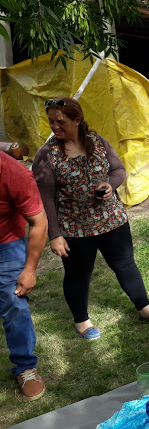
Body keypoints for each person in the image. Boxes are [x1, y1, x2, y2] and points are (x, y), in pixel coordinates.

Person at [32, 97, 149, 340]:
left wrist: (109, 185)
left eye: (61, 121)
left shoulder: (96, 141)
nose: (54, 126)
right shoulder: (47, 155)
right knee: (78, 273)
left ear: (77, 119)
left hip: (111, 219)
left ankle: (144, 308)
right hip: (75, 227)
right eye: (51, 121)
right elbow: (46, 199)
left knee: (125, 264)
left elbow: (118, 170)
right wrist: (54, 235)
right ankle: (82, 321)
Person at [0, 152, 47, 400]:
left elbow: (39, 222)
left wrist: (29, 270)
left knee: (14, 303)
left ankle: (25, 366)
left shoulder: (15, 174)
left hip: (6, 244)